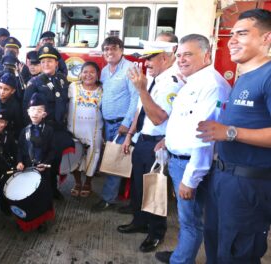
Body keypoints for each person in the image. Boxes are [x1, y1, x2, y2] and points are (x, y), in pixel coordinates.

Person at [195, 9, 271, 264]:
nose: (232, 40)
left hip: (249, 184)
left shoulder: (268, 76)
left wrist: (229, 132)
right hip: (224, 178)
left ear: (266, 39)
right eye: (232, 34)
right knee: (216, 245)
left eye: (242, 33)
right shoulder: (244, 77)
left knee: (239, 253)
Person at [153, 34, 231, 264]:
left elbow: (206, 137)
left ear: (206, 55)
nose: (181, 60)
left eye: (188, 54)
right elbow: (185, 122)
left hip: (190, 165)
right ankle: (182, 254)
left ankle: (181, 260)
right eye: (179, 55)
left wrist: (190, 178)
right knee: (188, 219)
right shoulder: (193, 82)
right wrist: (167, 141)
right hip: (179, 161)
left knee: (191, 220)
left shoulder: (212, 86)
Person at [117, 35, 181, 253]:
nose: (146, 64)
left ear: (164, 57)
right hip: (143, 140)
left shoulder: (173, 81)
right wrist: (130, 135)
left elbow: (157, 118)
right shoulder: (155, 78)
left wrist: (142, 89)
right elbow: (140, 110)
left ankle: (155, 233)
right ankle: (139, 221)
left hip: (158, 145)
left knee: (155, 190)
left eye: (150, 59)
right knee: (138, 187)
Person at [91, 36, 138, 212]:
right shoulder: (104, 71)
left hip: (121, 125)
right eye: (106, 49)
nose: (109, 52)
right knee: (112, 160)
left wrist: (126, 123)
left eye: (113, 48)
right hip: (108, 124)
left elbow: (136, 98)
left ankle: (108, 198)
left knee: (115, 162)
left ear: (121, 50)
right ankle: (115, 194)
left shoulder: (130, 69)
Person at [23, 43, 71, 200]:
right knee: (41, 161)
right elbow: (26, 108)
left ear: (57, 63)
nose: (46, 64)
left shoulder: (63, 80)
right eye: (43, 62)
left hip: (58, 129)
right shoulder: (35, 82)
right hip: (43, 129)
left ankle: (53, 188)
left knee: (55, 160)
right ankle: (42, 191)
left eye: (49, 61)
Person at [16, 93, 55, 232]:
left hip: (42, 169)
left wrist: (45, 163)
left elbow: (52, 151)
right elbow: (20, 149)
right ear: (28, 112)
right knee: (28, 195)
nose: (35, 113)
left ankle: (41, 220)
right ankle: (27, 218)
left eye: (39, 110)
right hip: (27, 169)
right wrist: (20, 161)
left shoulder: (49, 131)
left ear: (44, 114)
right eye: (32, 110)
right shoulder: (24, 131)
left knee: (41, 196)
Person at [66, 61, 103, 198]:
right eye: (85, 72)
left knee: (93, 155)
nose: (88, 75)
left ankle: (87, 182)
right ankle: (77, 182)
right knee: (74, 155)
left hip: (94, 131)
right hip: (74, 130)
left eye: (92, 72)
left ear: (97, 75)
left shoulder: (102, 90)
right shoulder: (73, 87)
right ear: (80, 74)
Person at [0, 37, 31, 101]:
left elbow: (25, 89)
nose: (10, 51)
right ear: (4, 51)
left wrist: (19, 75)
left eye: (13, 50)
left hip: (16, 102)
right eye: (8, 49)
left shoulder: (23, 67)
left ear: (18, 52)